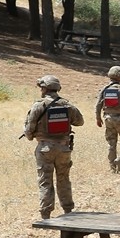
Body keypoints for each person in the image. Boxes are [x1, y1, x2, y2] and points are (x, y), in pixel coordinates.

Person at [23, 75, 84, 220]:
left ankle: (46, 214)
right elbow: (80, 122)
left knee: (45, 180)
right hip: (64, 149)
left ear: (44, 88)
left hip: (45, 149)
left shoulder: (39, 105)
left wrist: (31, 136)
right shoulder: (67, 105)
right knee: (63, 179)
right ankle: (68, 211)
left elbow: (29, 129)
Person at [95, 65, 120, 173]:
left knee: (111, 143)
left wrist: (98, 118)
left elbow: (98, 105)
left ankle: (112, 168)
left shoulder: (104, 89)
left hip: (107, 118)